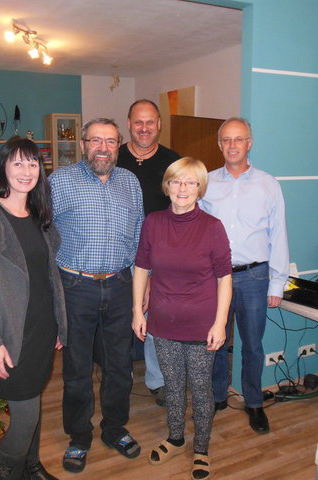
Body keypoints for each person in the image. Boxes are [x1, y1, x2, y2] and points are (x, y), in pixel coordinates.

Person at [0, 137, 68, 480]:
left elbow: (48, 276)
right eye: (18, 163)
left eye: (33, 164)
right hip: (11, 334)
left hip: (42, 329)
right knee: (23, 419)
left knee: (33, 405)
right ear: (3, 167)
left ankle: (32, 468)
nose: (26, 171)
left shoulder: (40, 216)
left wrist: (58, 325)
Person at [49, 118, 144, 473]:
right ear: (84, 144)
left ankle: (115, 429)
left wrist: (139, 289)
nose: (103, 148)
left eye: (110, 141)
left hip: (120, 285)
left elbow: (138, 236)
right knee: (76, 370)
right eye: (96, 141)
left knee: (120, 367)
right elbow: (45, 235)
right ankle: (78, 437)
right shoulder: (60, 182)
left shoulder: (130, 183)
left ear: (119, 145)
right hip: (75, 287)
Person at [132, 157, 232, 480]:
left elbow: (224, 279)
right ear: (168, 186)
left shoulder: (213, 228)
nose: (183, 189)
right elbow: (142, 268)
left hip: (202, 325)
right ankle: (176, 437)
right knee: (173, 385)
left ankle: (201, 448)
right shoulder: (154, 223)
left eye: (190, 182)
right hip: (163, 322)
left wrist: (220, 323)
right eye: (177, 181)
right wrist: (138, 310)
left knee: (201, 389)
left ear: (200, 188)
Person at [199, 117, 289, 434]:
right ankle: (217, 395)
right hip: (216, 277)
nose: (232, 145)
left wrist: (277, 282)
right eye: (226, 140)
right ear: (220, 144)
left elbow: (278, 235)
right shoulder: (206, 183)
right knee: (215, 341)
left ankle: (253, 402)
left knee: (252, 345)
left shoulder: (268, 184)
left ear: (249, 143)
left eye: (239, 139)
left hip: (254, 277)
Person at [117, 99, 180, 406]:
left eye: (150, 122)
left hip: (159, 257)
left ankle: (157, 379)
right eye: (138, 122)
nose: (144, 128)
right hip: (117, 255)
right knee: (118, 319)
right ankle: (119, 377)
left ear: (159, 125)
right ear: (128, 123)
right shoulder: (111, 159)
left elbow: (179, 215)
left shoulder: (173, 162)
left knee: (157, 322)